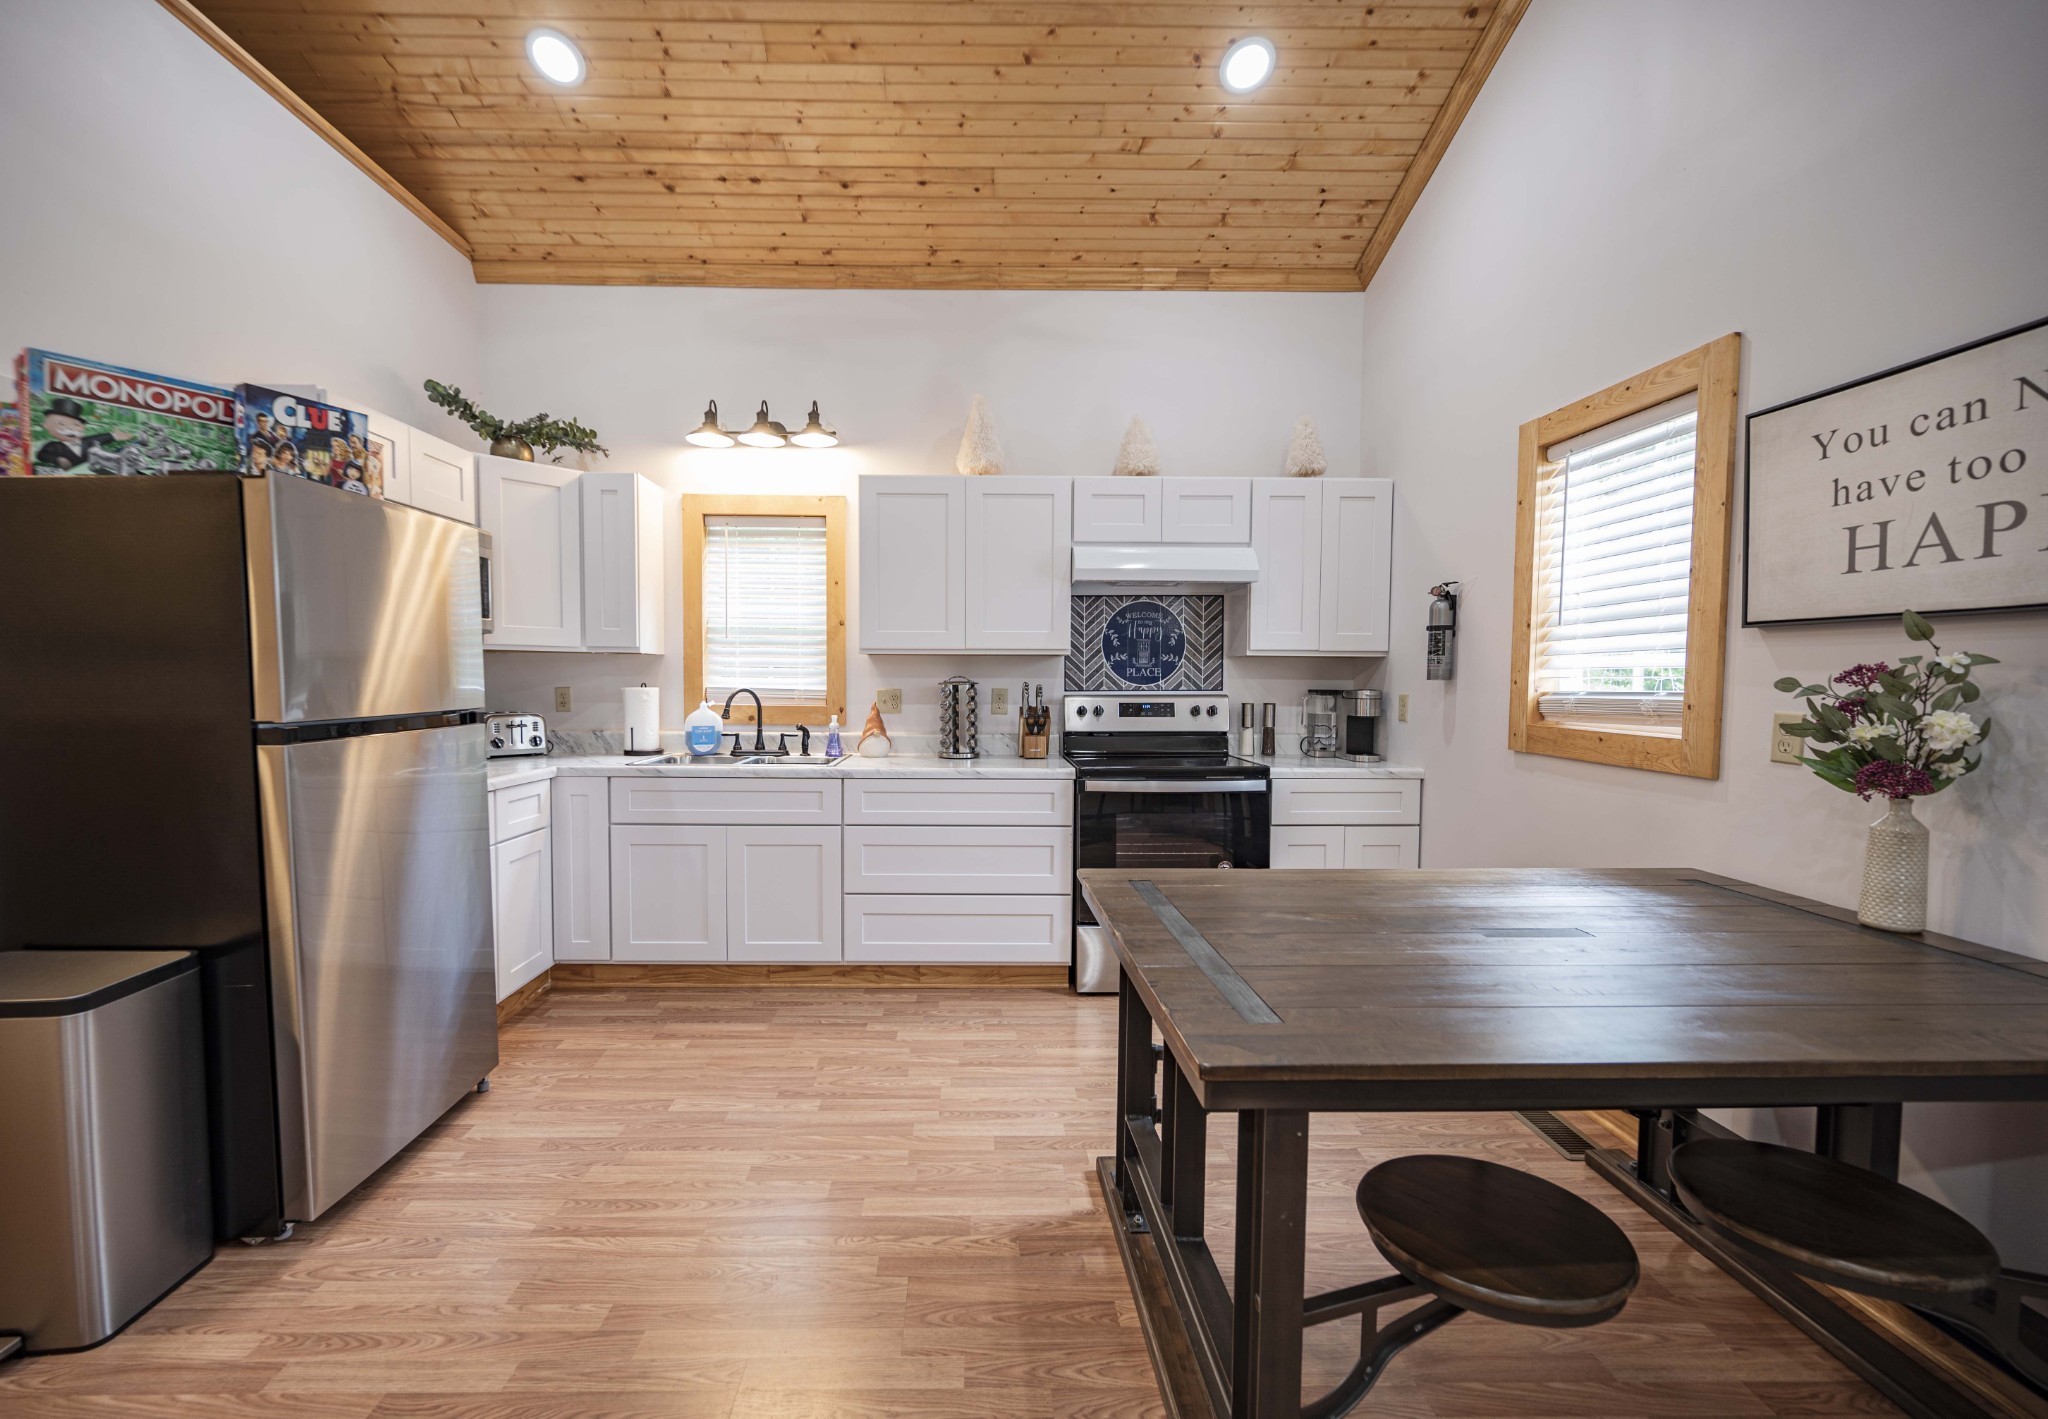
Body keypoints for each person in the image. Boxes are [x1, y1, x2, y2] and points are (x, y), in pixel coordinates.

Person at [33, 396, 132, 472]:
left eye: (76, 425)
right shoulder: (53, 446)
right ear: (46, 425)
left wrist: (114, 435)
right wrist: (58, 459)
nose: (70, 428)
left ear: (82, 427)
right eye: (61, 424)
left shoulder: (87, 442)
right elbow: (42, 455)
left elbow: (100, 438)